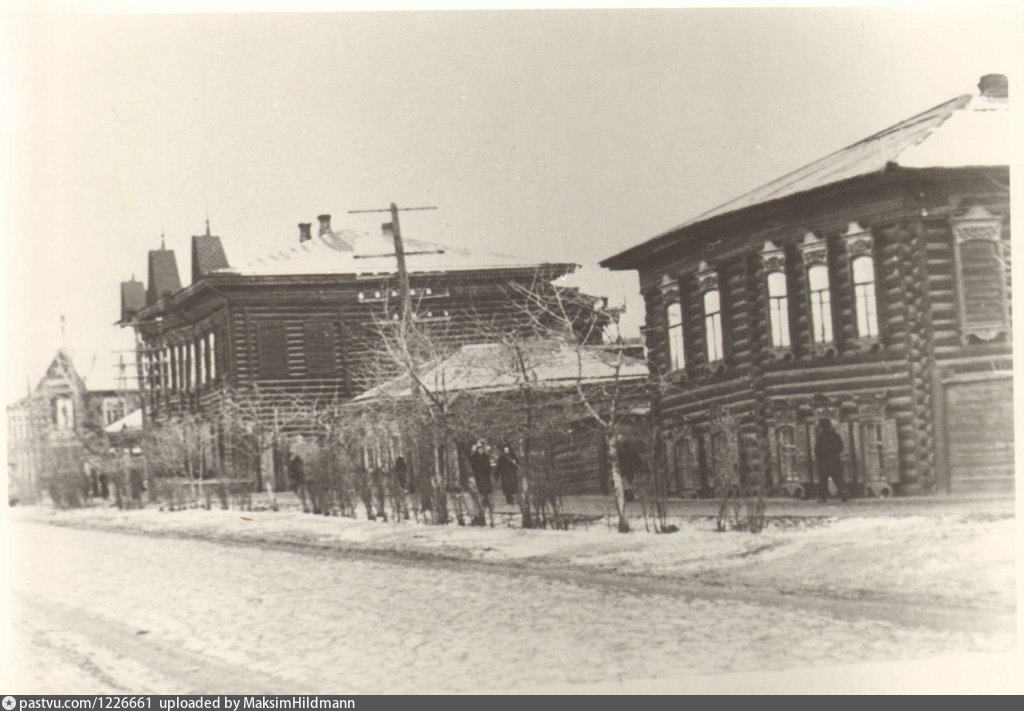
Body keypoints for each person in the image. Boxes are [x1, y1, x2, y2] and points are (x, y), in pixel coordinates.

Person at [814, 418, 846, 503]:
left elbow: (817, 449)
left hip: (823, 460)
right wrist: (834, 453)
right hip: (834, 459)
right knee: (838, 478)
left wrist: (818, 456)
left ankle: (822, 497)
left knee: (823, 479)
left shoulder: (820, 436)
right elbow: (841, 447)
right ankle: (843, 492)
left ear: (821, 426)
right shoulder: (835, 435)